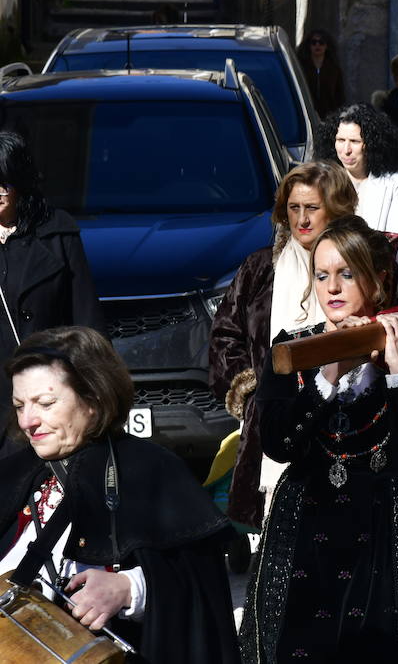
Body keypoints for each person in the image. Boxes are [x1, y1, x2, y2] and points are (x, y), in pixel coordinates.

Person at [240, 216, 398, 662]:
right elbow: (279, 444)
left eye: (346, 273)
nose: (332, 287)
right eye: (322, 275)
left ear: (377, 281)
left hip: (390, 528)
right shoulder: (293, 349)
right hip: (307, 526)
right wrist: (328, 374)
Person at [0, 326, 241, 661]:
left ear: (94, 400)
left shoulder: (152, 470)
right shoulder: (12, 473)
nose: (28, 421)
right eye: (19, 405)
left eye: (45, 403)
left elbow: (203, 587)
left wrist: (130, 588)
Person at [209, 161, 357, 528]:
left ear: (335, 208)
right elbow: (225, 335)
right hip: (275, 426)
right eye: (294, 208)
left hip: (346, 424)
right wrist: (252, 392)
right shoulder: (259, 269)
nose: (302, 219)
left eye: (312, 208)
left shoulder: (363, 264)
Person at [0, 131, 101, 453]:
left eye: (3, 183)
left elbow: (85, 318)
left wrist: (95, 389)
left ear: (20, 184)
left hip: (47, 397)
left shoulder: (57, 232)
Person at [316, 104, 398, 290]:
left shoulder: (397, 182)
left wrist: (353, 263)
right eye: (340, 140)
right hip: (333, 284)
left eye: (354, 141)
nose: (346, 150)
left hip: (383, 284)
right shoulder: (323, 182)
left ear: (372, 143)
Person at [299, 29, 347, 115]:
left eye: (321, 42)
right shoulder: (302, 68)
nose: (317, 45)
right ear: (309, 46)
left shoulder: (334, 69)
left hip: (329, 114)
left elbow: (339, 95)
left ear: (326, 46)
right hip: (306, 113)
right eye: (314, 42)